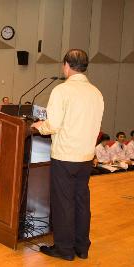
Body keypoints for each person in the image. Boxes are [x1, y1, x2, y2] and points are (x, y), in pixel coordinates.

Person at [31, 49, 104, 261]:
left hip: (65, 156)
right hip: (86, 156)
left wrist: (38, 126)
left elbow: (52, 125)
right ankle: (82, 247)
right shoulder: (96, 93)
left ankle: (64, 249)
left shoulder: (62, 90)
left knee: (64, 203)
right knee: (81, 202)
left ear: (66, 65)